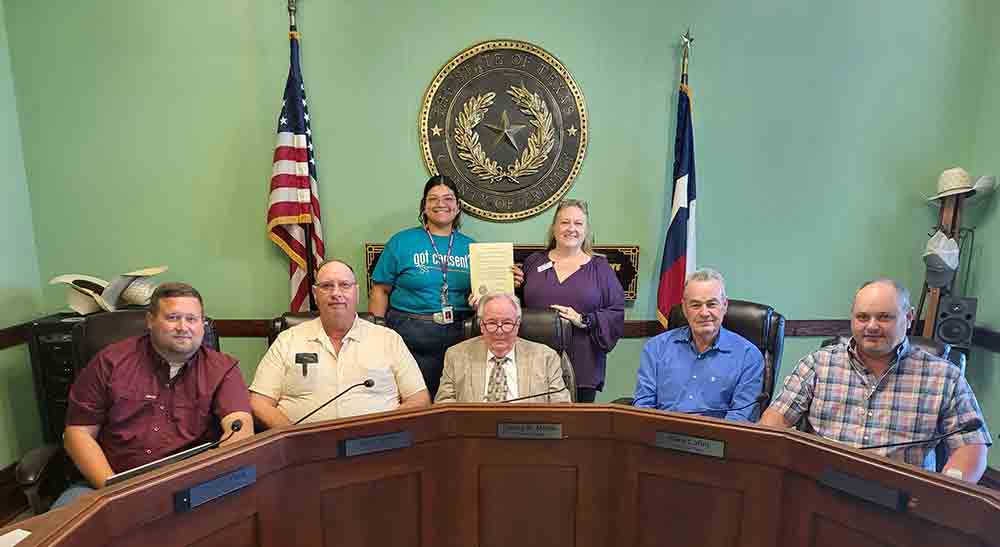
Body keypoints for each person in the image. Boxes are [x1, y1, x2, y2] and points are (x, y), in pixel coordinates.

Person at [760, 279, 991, 483]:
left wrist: (944, 495)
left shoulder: (944, 377)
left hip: (900, 501)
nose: (871, 326)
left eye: (884, 317)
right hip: (821, 487)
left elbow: (971, 445)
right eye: (862, 317)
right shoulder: (818, 364)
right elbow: (774, 421)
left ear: (908, 317)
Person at [58, 283, 253, 507]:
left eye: (192, 319)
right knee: (57, 530)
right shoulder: (111, 362)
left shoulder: (222, 368)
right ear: (150, 321)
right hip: (110, 482)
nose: (183, 327)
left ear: (203, 324)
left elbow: (240, 427)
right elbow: (77, 434)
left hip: (189, 486)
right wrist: (112, 491)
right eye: (172, 318)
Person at [251, 260, 430, 427]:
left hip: (376, 448)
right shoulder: (288, 340)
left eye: (344, 285)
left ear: (356, 292)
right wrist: (292, 436)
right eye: (327, 286)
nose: (336, 293)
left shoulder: (388, 339)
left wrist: (385, 432)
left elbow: (419, 399)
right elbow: (259, 402)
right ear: (315, 294)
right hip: (303, 451)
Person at [369, 175, 475, 399]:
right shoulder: (401, 242)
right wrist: (376, 334)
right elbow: (380, 290)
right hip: (408, 334)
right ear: (424, 206)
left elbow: (486, 295)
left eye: (448, 198)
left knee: (455, 399)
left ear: (457, 207)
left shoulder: (471, 247)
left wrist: (506, 280)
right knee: (412, 401)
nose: (440, 204)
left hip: (459, 335)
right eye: (433, 198)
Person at [518, 199, 624, 402]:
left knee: (577, 428)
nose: (571, 229)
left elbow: (616, 313)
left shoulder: (600, 268)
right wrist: (511, 284)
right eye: (565, 222)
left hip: (582, 363)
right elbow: (513, 308)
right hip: (534, 362)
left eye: (578, 223)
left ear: (586, 230)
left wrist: (584, 319)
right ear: (554, 228)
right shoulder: (533, 263)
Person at [632, 269, 764, 422]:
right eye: (695, 305)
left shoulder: (748, 356)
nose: (704, 312)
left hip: (718, 441)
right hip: (662, 437)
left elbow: (740, 418)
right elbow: (643, 407)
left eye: (712, 304)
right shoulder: (656, 348)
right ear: (684, 308)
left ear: (724, 305)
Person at [436, 292, 571, 404]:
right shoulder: (456, 355)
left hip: (529, 431)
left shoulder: (546, 357)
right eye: (491, 323)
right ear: (481, 325)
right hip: (473, 432)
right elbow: (444, 407)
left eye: (507, 323)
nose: (499, 331)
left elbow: (561, 408)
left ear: (517, 325)